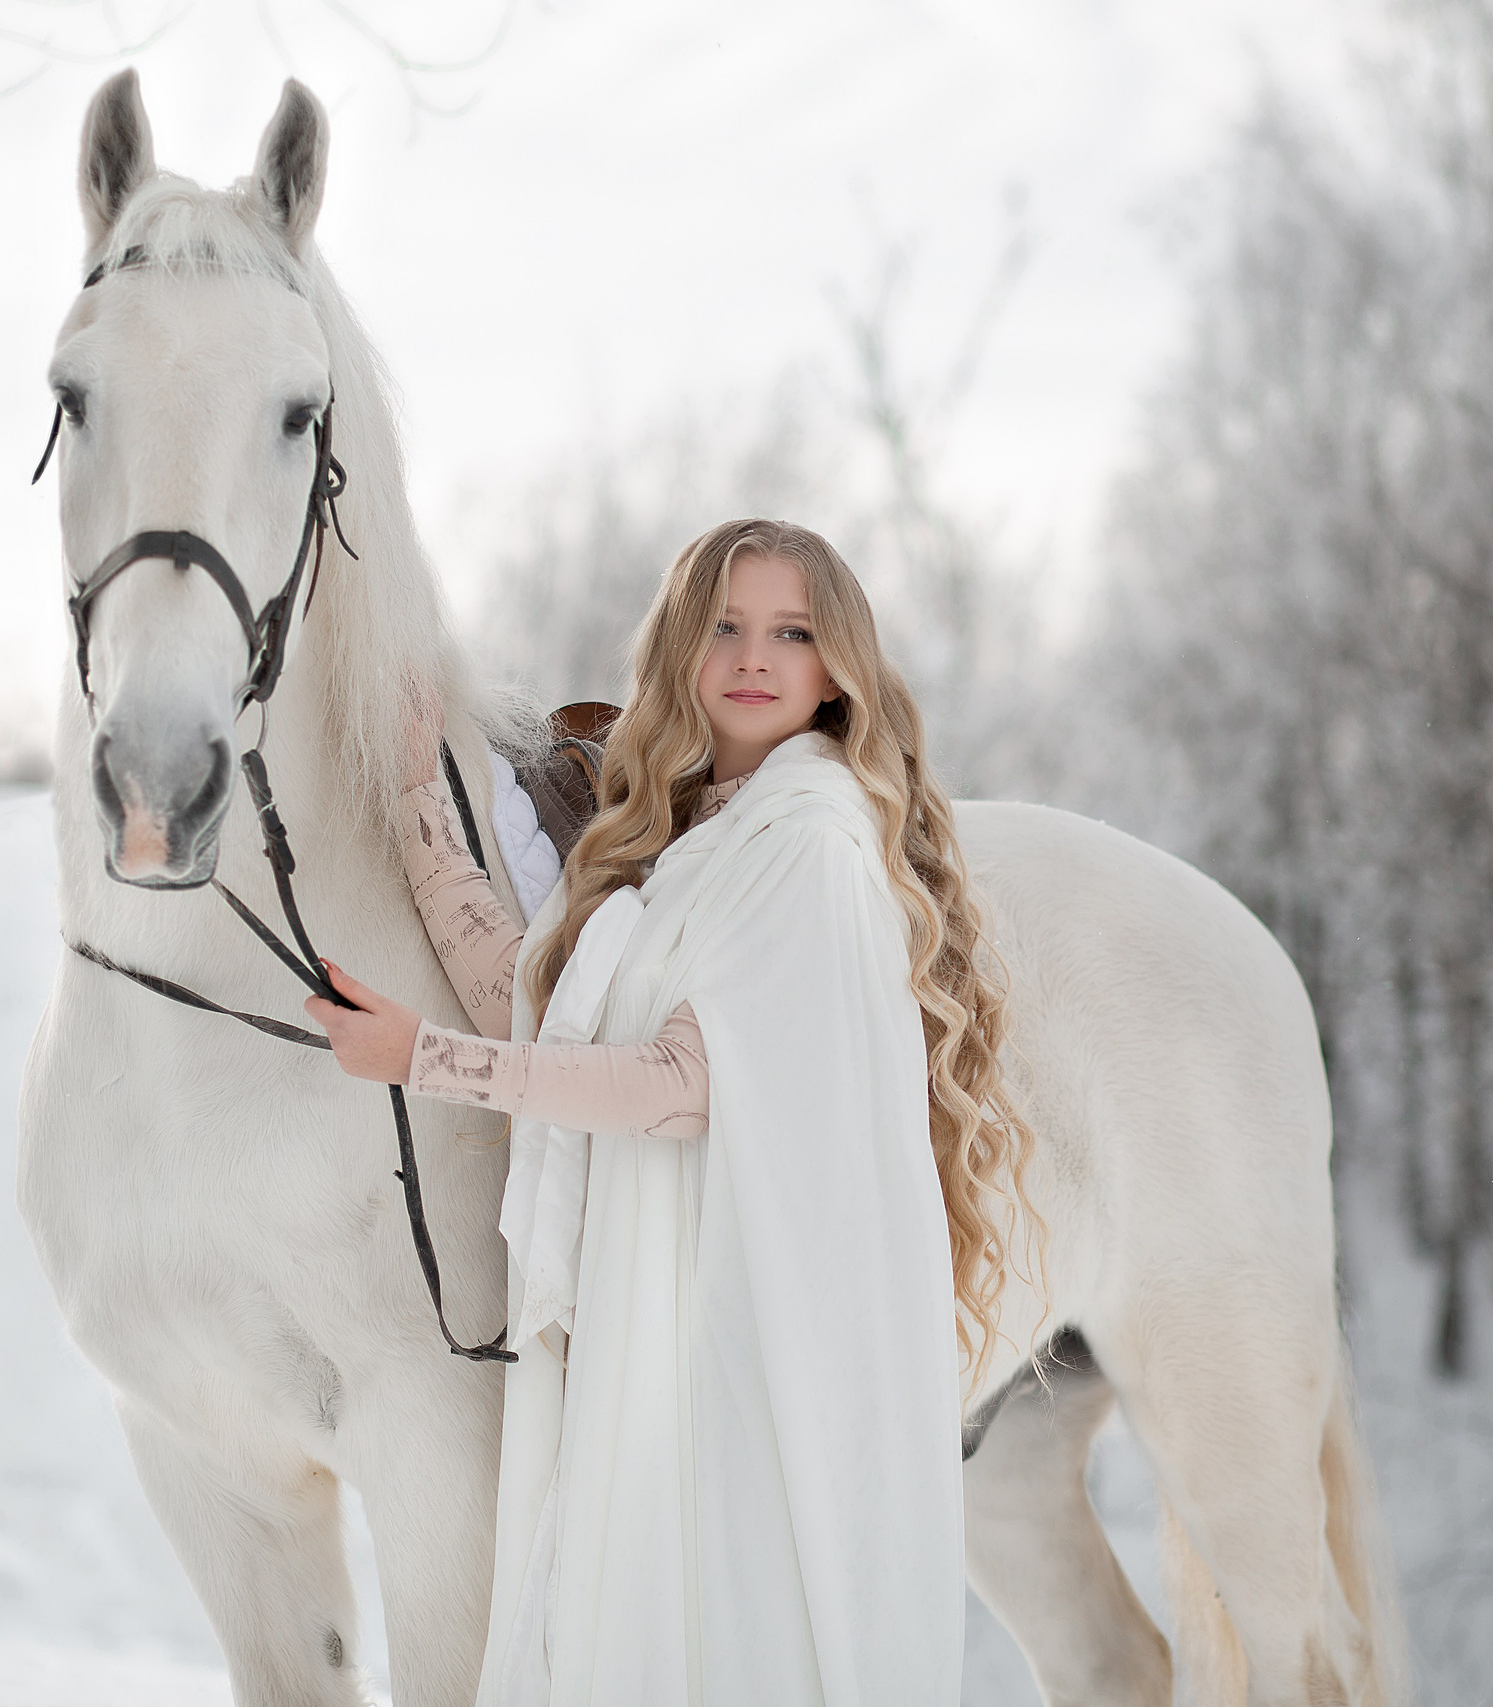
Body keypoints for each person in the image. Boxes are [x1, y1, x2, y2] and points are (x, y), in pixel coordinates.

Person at [307, 518, 1033, 1707]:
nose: (754, 656)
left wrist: (420, 1059)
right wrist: (416, 815)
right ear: (682, 654)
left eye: (790, 632)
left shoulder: (806, 842)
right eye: (724, 628)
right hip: (667, 1336)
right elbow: (540, 1012)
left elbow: (671, 1088)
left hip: (729, 1352)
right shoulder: (698, 833)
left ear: (836, 662)